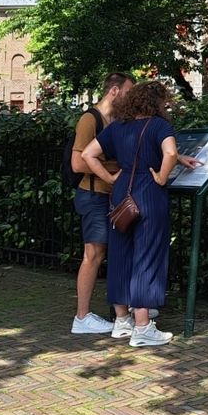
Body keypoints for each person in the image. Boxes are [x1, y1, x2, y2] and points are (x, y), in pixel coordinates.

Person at [80, 81, 199, 347]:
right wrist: (162, 176)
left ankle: (122, 322)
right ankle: (143, 326)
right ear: (156, 102)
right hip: (148, 192)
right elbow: (167, 152)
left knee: (121, 253)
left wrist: (110, 178)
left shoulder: (117, 127)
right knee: (148, 254)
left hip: (121, 192)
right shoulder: (160, 125)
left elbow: (88, 154)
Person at [69, 71, 136, 335]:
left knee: (113, 252)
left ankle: (121, 308)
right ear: (115, 91)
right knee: (93, 254)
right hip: (94, 195)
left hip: (110, 196)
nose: (131, 98)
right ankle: (82, 317)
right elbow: (77, 163)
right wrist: (109, 174)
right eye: (129, 92)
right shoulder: (90, 119)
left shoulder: (117, 121)